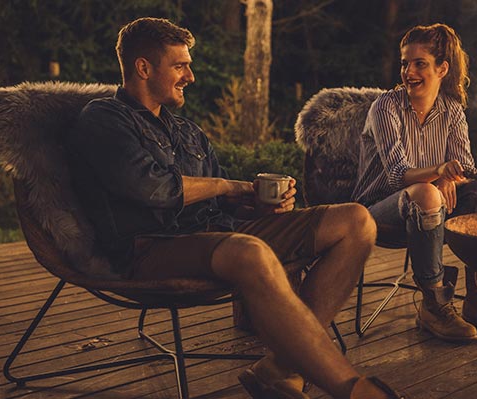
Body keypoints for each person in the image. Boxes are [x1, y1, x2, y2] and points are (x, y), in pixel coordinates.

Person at [66, 17, 402, 399]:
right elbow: (154, 190)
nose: (190, 76)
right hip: (150, 247)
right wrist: (228, 186)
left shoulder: (187, 132)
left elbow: (214, 201)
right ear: (143, 68)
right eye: (180, 66)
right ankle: (353, 389)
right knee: (249, 251)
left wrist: (257, 207)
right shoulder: (104, 119)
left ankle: (280, 366)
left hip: (218, 236)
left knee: (356, 222)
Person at [351, 23, 477, 343]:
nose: (409, 71)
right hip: (376, 210)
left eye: (419, 64)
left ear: (442, 68)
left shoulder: (452, 110)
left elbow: (466, 167)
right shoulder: (386, 107)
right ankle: (434, 305)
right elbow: (396, 174)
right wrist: (439, 172)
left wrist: (449, 175)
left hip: (433, 208)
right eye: (405, 63)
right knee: (428, 193)